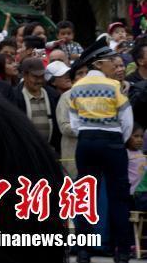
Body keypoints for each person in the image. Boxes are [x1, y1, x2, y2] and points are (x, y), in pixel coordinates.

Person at [70, 37, 134, 263]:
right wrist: (117, 139)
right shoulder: (115, 86)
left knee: (85, 196)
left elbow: (75, 123)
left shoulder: (76, 88)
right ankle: (122, 251)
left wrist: (89, 134)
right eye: (110, 61)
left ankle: (83, 251)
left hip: (86, 142)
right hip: (113, 143)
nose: (114, 65)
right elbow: (127, 122)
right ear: (98, 64)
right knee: (118, 197)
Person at [11, 58, 61, 155]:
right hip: (25, 153)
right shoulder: (14, 97)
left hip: (50, 152)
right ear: (25, 75)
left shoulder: (53, 96)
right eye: (35, 76)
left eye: (41, 76)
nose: (39, 80)